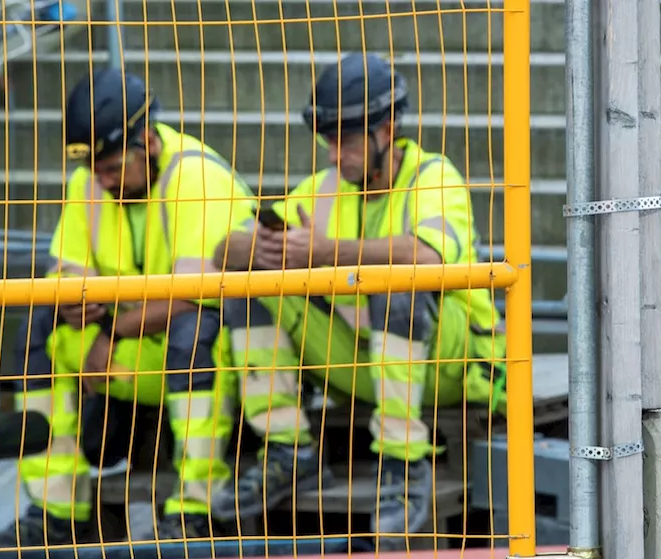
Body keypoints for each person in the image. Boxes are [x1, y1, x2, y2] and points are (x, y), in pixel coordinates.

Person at [208, 52, 508, 549]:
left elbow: (429, 257)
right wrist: (259, 247)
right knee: (250, 283)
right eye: (328, 141)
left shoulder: (433, 177)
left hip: (453, 367)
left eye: (344, 140)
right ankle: (289, 450)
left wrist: (327, 253)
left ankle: (404, 465)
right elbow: (223, 250)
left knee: (398, 281)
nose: (332, 155)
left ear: (386, 129)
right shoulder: (327, 188)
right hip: (371, 365)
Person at [0, 68, 255, 548]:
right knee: (40, 327)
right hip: (125, 355)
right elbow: (64, 270)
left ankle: (198, 509)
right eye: (94, 169)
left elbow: (193, 295)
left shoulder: (198, 177)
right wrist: (72, 302)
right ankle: (56, 509)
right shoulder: (91, 181)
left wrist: (111, 332)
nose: (101, 180)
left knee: (195, 330)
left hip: (203, 355)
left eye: (110, 167)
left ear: (146, 141)